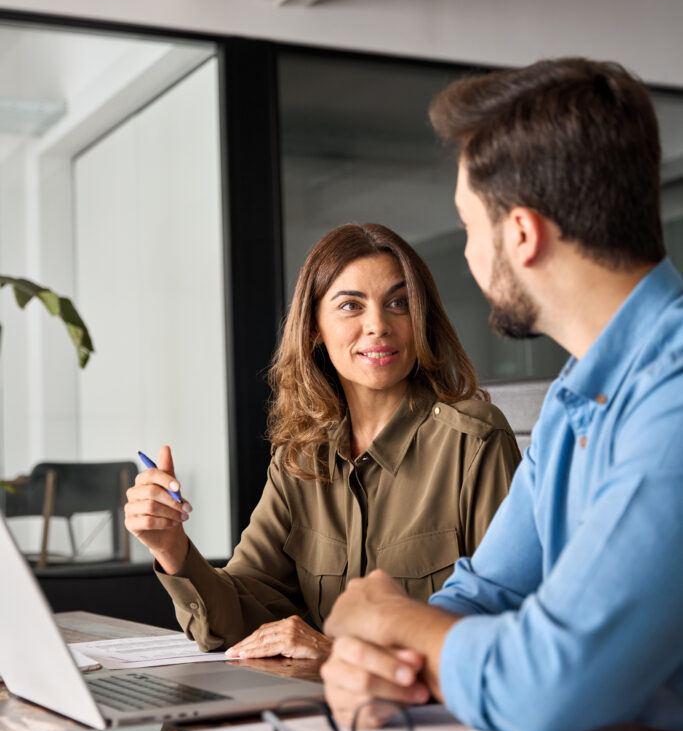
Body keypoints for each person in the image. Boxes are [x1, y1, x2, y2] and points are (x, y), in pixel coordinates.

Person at [321, 57, 683, 731]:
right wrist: (388, 658)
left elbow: (551, 681)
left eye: (466, 227)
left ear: (520, 234)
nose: (464, 255)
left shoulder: (673, 390)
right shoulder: (574, 396)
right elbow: (489, 592)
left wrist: (389, 619)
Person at [124, 223, 520, 660]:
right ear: (314, 328)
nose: (378, 325)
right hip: (327, 715)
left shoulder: (476, 441)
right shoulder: (301, 457)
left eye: (399, 303)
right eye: (351, 305)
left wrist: (334, 652)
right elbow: (236, 619)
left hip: (440, 718)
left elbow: (507, 634)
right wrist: (170, 546)